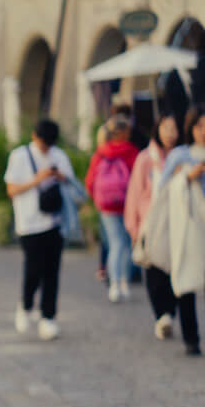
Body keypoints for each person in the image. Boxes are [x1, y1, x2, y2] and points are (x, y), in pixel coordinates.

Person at [5, 117, 75, 341]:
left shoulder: (59, 155)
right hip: (29, 223)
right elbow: (12, 190)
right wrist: (37, 179)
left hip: (54, 222)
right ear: (35, 137)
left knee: (52, 271)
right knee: (33, 269)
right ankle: (25, 306)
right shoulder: (20, 156)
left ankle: (48, 317)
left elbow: (72, 183)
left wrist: (58, 176)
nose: (47, 148)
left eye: (50, 144)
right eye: (44, 143)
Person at [150, 108, 205, 355]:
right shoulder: (181, 156)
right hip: (189, 226)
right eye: (199, 126)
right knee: (187, 280)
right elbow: (164, 193)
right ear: (191, 128)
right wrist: (186, 178)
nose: (203, 132)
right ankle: (191, 337)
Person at [129, 113, 182, 340]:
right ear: (157, 129)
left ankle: (170, 311)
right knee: (153, 270)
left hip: (177, 221)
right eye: (166, 128)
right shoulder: (146, 159)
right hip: (151, 222)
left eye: (174, 128)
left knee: (175, 268)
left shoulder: (183, 157)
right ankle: (161, 315)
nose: (170, 133)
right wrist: (133, 227)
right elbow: (135, 193)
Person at [86, 117, 140, 301]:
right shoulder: (131, 152)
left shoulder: (101, 152)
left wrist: (97, 200)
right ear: (124, 132)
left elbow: (90, 181)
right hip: (127, 204)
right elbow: (139, 181)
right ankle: (123, 282)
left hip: (106, 206)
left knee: (114, 244)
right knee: (125, 244)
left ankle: (115, 283)